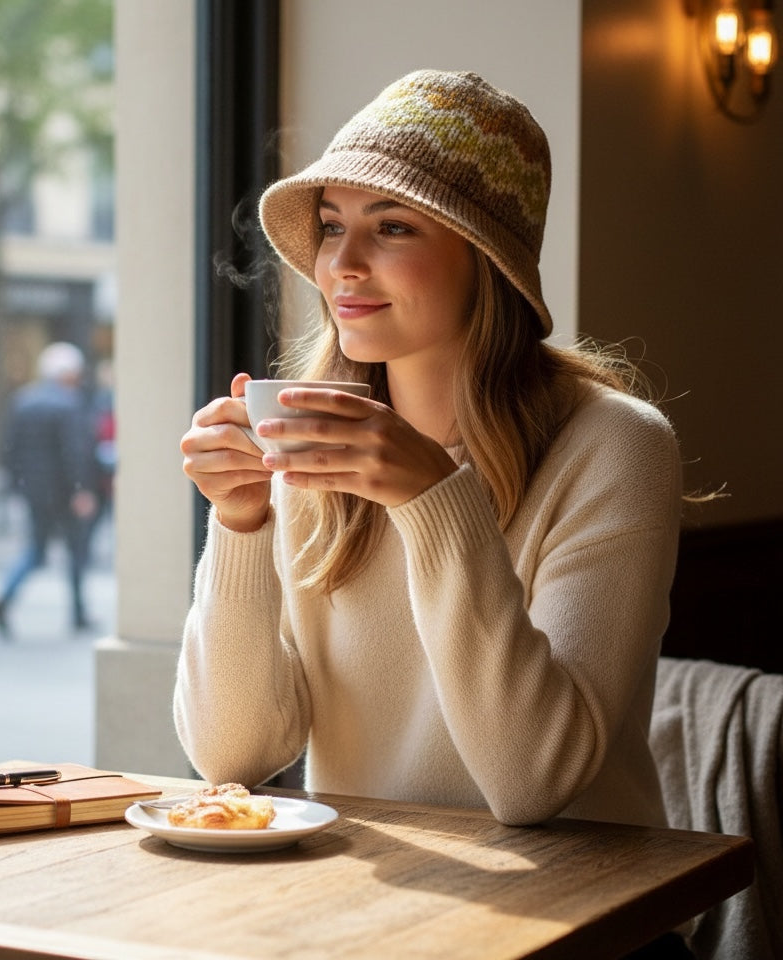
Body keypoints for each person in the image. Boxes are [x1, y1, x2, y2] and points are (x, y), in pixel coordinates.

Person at [177, 70, 689, 880]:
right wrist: (241, 523)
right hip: (375, 903)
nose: (340, 263)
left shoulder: (614, 445)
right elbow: (231, 755)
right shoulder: (312, 437)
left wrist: (434, 501)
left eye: (393, 228)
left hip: (582, 909)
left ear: (486, 256)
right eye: (332, 225)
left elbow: (534, 782)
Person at [0, 342, 97, 637]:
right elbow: (75, 451)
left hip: (35, 491)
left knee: (35, 551)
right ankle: (78, 612)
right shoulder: (69, 404)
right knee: (75, 552)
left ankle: (5, 596)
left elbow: (8, 448)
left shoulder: (23, 400)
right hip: (64, 492)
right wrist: (81, 489)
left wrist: (17, 483)